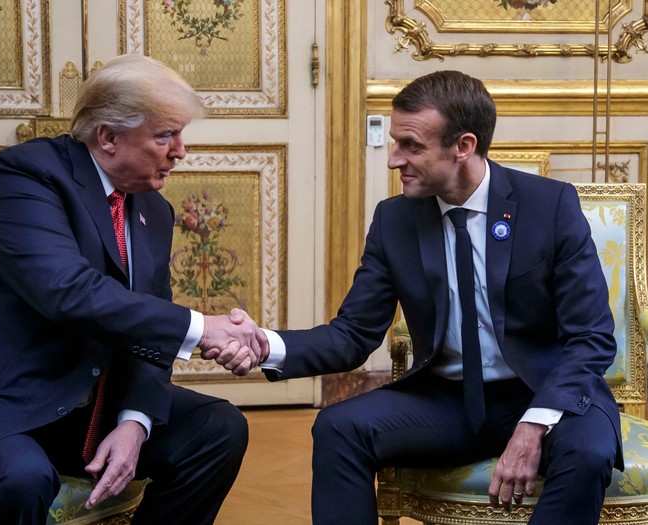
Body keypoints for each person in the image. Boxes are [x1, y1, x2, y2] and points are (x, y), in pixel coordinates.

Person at [227, 70, 622, 524]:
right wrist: (267, 344)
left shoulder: (548, 206)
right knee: (339, 428)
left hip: (545, 391)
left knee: (589, 453)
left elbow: (591, 336)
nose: (394, 159)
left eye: (411, 146)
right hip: (449, 401)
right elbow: (354, 334)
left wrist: (535, 423)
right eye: (395, 143)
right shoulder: (395, 220)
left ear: (464, 146)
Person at [0, 54, 267, 525]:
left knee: (216, 429)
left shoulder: (152, 210)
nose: (180, 150)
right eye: (165, 135)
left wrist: (134, 421)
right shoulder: (24, 177)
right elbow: (69, 291)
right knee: (18, 478)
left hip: (80, 397)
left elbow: (146, 326)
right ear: (109, 137)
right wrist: (203, 329)